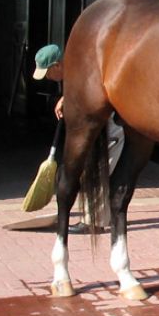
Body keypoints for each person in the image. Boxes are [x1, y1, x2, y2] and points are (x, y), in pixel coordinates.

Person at [33, 44, 124, 233]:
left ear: (57, 65)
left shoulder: (83, 67)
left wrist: (68, 97)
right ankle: (104, 217)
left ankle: (95, 222)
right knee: (96, 169)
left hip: (113, 126)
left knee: (100, 169)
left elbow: (95, 89)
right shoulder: (73, 72)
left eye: (48, 73)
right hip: (100, 128)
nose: (48, 78)